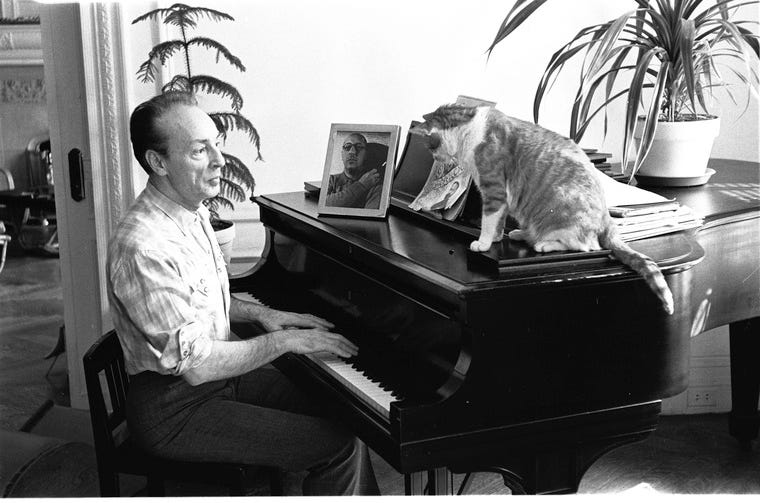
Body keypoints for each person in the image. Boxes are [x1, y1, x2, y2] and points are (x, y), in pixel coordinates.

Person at [106, 91, 380, 495]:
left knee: (348, 414)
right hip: (176, 410)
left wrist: (262, 315)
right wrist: (285, 340)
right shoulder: (144, 246)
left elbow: (201, 303)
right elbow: (197, 364)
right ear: (158, 162)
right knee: (333, 444)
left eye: (217, 143)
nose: (220, 160)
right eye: (201, 150)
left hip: (216, 384)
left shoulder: (189, 208)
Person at [325, 133, 382, 209]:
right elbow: (323, 204)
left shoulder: (375, 187)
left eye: (359, 147)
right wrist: (361, 186)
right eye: (347, 147)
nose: (352, 152)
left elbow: (368, 219)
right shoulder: (331, 180)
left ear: (366, 155)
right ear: (342, 155)